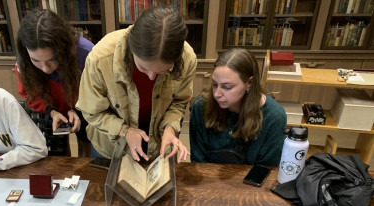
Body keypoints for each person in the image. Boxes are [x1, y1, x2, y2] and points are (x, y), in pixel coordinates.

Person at [76, 6, 197, 163]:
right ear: (131, 49)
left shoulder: (187, 58)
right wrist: (124, 131)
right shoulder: (101, 58)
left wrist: (170, 128)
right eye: (143, 68)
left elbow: (178, 103)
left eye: (163, 71)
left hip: (157, 140)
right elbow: (92, 112)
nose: (151, 76)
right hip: (111, 144)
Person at [16, 9, 93, 157]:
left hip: (85, 110)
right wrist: (50, 111)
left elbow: (99, 94)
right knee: (59, 151)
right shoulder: (24, 59)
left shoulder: (86, 54)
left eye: (52, 59)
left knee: (85, 146)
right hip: (50, 109)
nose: (45, 69)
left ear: (63, 49)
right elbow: (29, 93)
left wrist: (78, 111)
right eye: (36, 61)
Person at [189, 48, 287, 166]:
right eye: (215, 84)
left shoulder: (274, 117)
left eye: (227, 87)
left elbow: (266, 171)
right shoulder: (201, 106)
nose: (216, 94)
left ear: (249, 83)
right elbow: (198, 161)